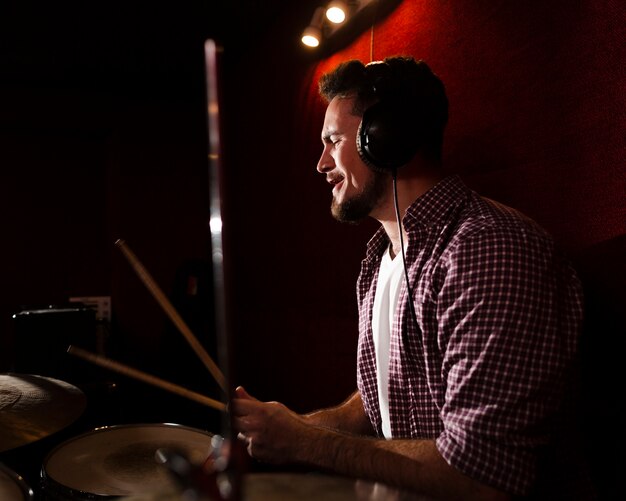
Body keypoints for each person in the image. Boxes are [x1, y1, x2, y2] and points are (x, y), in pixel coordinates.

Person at [232, 57, 590, 499]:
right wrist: (286, 426)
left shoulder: (487, 248)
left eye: (334, 140)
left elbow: (483, 475)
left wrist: (305, 443)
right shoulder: (380, 258)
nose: (321, 163)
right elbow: (382, 397)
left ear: (384, 138)